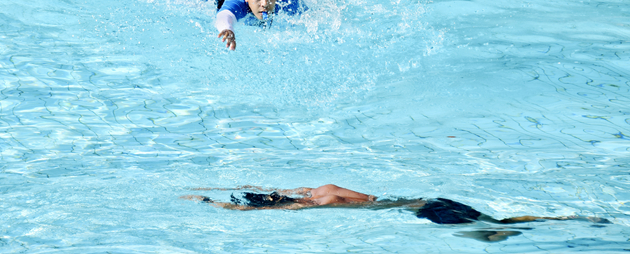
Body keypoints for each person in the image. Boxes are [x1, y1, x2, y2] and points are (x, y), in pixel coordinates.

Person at [181, 184, 610, 232]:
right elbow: (257, 194)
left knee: (499, 232)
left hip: (424, 213)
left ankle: (565, 223)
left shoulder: (306, 207)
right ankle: (564, 220)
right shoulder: (320, 188)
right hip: (425, 201)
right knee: (496, 226)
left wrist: (206, 201)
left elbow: (254, 208)